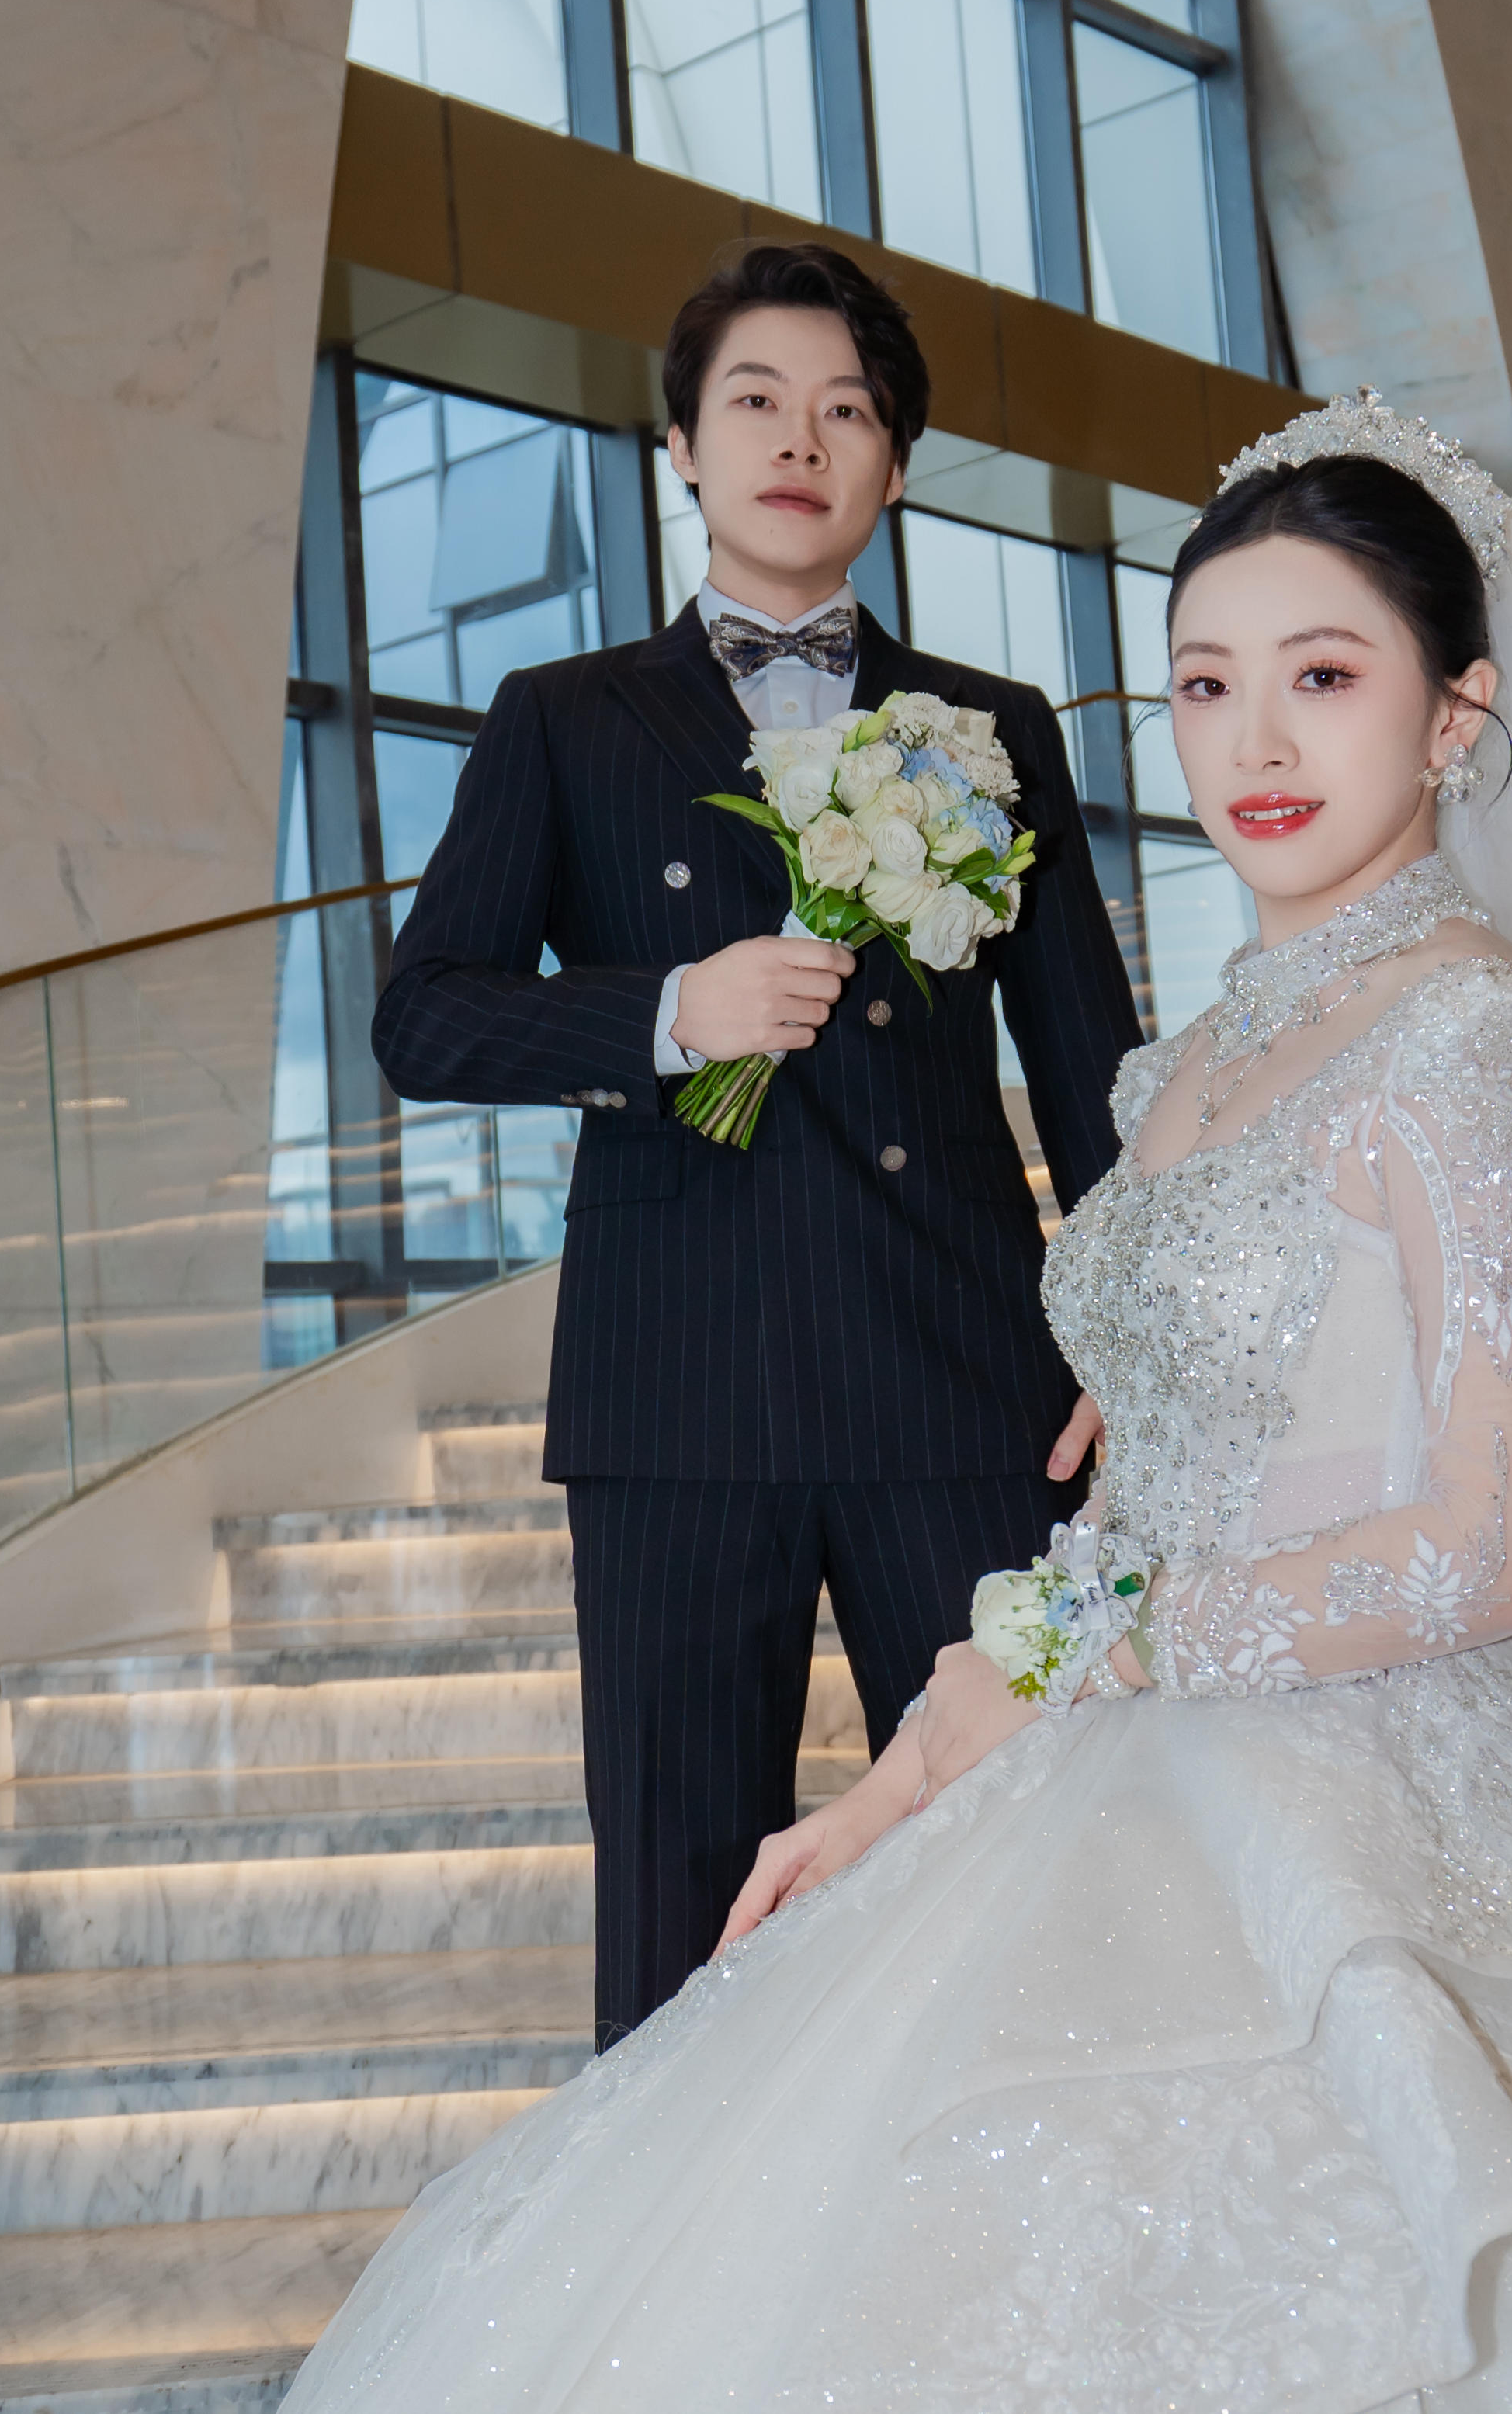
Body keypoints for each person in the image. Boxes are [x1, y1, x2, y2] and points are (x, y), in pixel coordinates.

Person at [297, 393, 1512, 2409]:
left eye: (1325, 675)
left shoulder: (1468, 1028)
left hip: (1368, 1762)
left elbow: (1494, 1548)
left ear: (1456, 712)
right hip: (1119, 1722)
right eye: (1205, 684)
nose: (1255, 742)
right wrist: (899, 1779)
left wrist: (1088, 1656)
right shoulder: (1196, 1052)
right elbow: (1137, 1500)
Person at [369, 241, 1142, 2043]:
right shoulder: (563, 717)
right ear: (682, 449)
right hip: (677, 1392)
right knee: (676, 1903)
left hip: (963, 1379)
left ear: (893, 465)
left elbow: (1093, 1068)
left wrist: (1136, 1336)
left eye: (846, 410)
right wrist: (666, 1011)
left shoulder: (994, 731)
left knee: (1023, 1854)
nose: (801, 439)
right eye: (756, 401)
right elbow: (428, 1016)